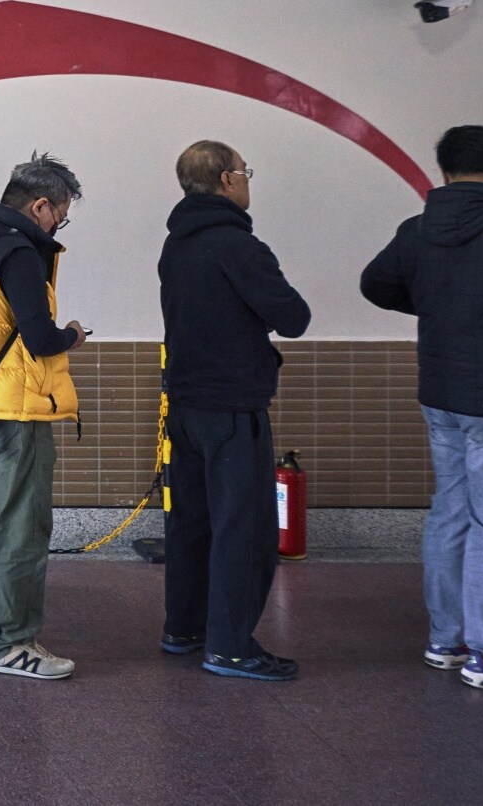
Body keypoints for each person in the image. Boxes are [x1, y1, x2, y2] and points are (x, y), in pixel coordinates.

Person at [361, 124, 483, 693]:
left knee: (451, 514)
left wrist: (437, 304)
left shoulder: (417, 231)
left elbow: (376, 285)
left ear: (443, 172)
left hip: (442, 396)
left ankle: (449, 640)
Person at [158, 141, 311, 681]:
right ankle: (229, 646)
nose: (248, 179)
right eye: (245, 171)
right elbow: (292, 317)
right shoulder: (240, 247)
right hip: (233, 407)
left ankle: (185, 628)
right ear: (226, 180)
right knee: (243, 527)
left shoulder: (175, 246)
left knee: (192, 522)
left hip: (185, 403)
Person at [0, 152, 87, 680]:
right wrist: (73, 335)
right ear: (39, 205)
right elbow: (39, 337)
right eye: (61, 214)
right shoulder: (19, 252)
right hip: (15, 413)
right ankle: (10, 643)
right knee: (22, 528)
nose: (59, 223)